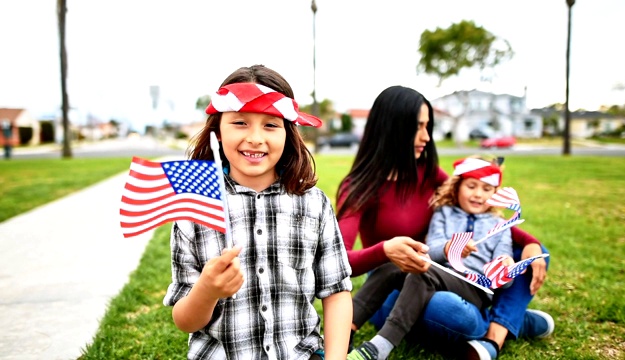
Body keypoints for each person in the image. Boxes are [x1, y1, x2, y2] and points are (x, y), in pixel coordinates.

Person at [335, 85, 552, 360]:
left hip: (445, 274)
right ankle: (511, 318)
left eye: (429, 126)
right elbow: (340, 261)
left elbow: (480, 213)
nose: (427, 137)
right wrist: (385, 251)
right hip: (392, 286)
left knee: (535, 255)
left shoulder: (427, 173)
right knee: (446, 308)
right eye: (418, 127)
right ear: (391, 128)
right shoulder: (358, 188)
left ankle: (496, 332)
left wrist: (530, 243)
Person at [163, 65, 353, 360]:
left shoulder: (313, 204)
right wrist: (207, 290)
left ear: (289, 133)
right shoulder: (195, 207)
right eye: (240, 123)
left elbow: (337, 291)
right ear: (217, 131)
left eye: (270, 125)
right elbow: (185, 320)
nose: (255, 138)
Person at [347, 156, 515, 360]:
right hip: (440, 273)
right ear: (457, 186)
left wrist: (506, 269)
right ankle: (346, 329)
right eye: (471, 186)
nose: (478, 194)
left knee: (424, 270)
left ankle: (380, 347)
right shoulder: (444, 213)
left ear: (495, 194)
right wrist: (447, 249)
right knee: (391, 267)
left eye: (487, 189)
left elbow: (503, 278)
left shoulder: (500, 226)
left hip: (473, 287)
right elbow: (430, 251)